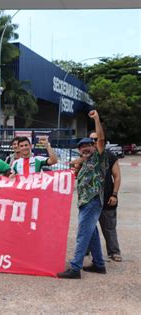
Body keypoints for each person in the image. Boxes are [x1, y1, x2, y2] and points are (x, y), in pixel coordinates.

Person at [58, 110, 108, 279]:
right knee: (91, 232)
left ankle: (75, 267)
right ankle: (99, 265)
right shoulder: (84, 164)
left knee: (82, 234)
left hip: (92, 201)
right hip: (86, 203)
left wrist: (96, 119)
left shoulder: (99, 158)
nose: (85, 148)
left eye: (88, 145)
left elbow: (100, 138)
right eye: (81, 147)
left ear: (94, 147)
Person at [89, 132, 122, 262]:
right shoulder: (87, 156)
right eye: (91, 139)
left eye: (96, 139)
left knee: (109, 227)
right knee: (88, 226)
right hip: (90, 199)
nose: (93, 142)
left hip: (107, 197)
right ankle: (86, 250)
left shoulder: (110, 156)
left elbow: (117, 176)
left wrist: (114, 194)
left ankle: (114, 252)